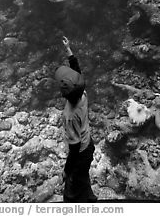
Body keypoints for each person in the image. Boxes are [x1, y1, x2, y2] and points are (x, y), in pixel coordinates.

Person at [54, 36, 97, 202]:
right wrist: (68, 50)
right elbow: (77, 74)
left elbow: (74, 147)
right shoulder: (82, 94)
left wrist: (66, 170)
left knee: (71, 192)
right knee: (83, 178)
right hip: (89, 145)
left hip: (80, 154)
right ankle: (91, 198)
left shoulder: (70, 116)